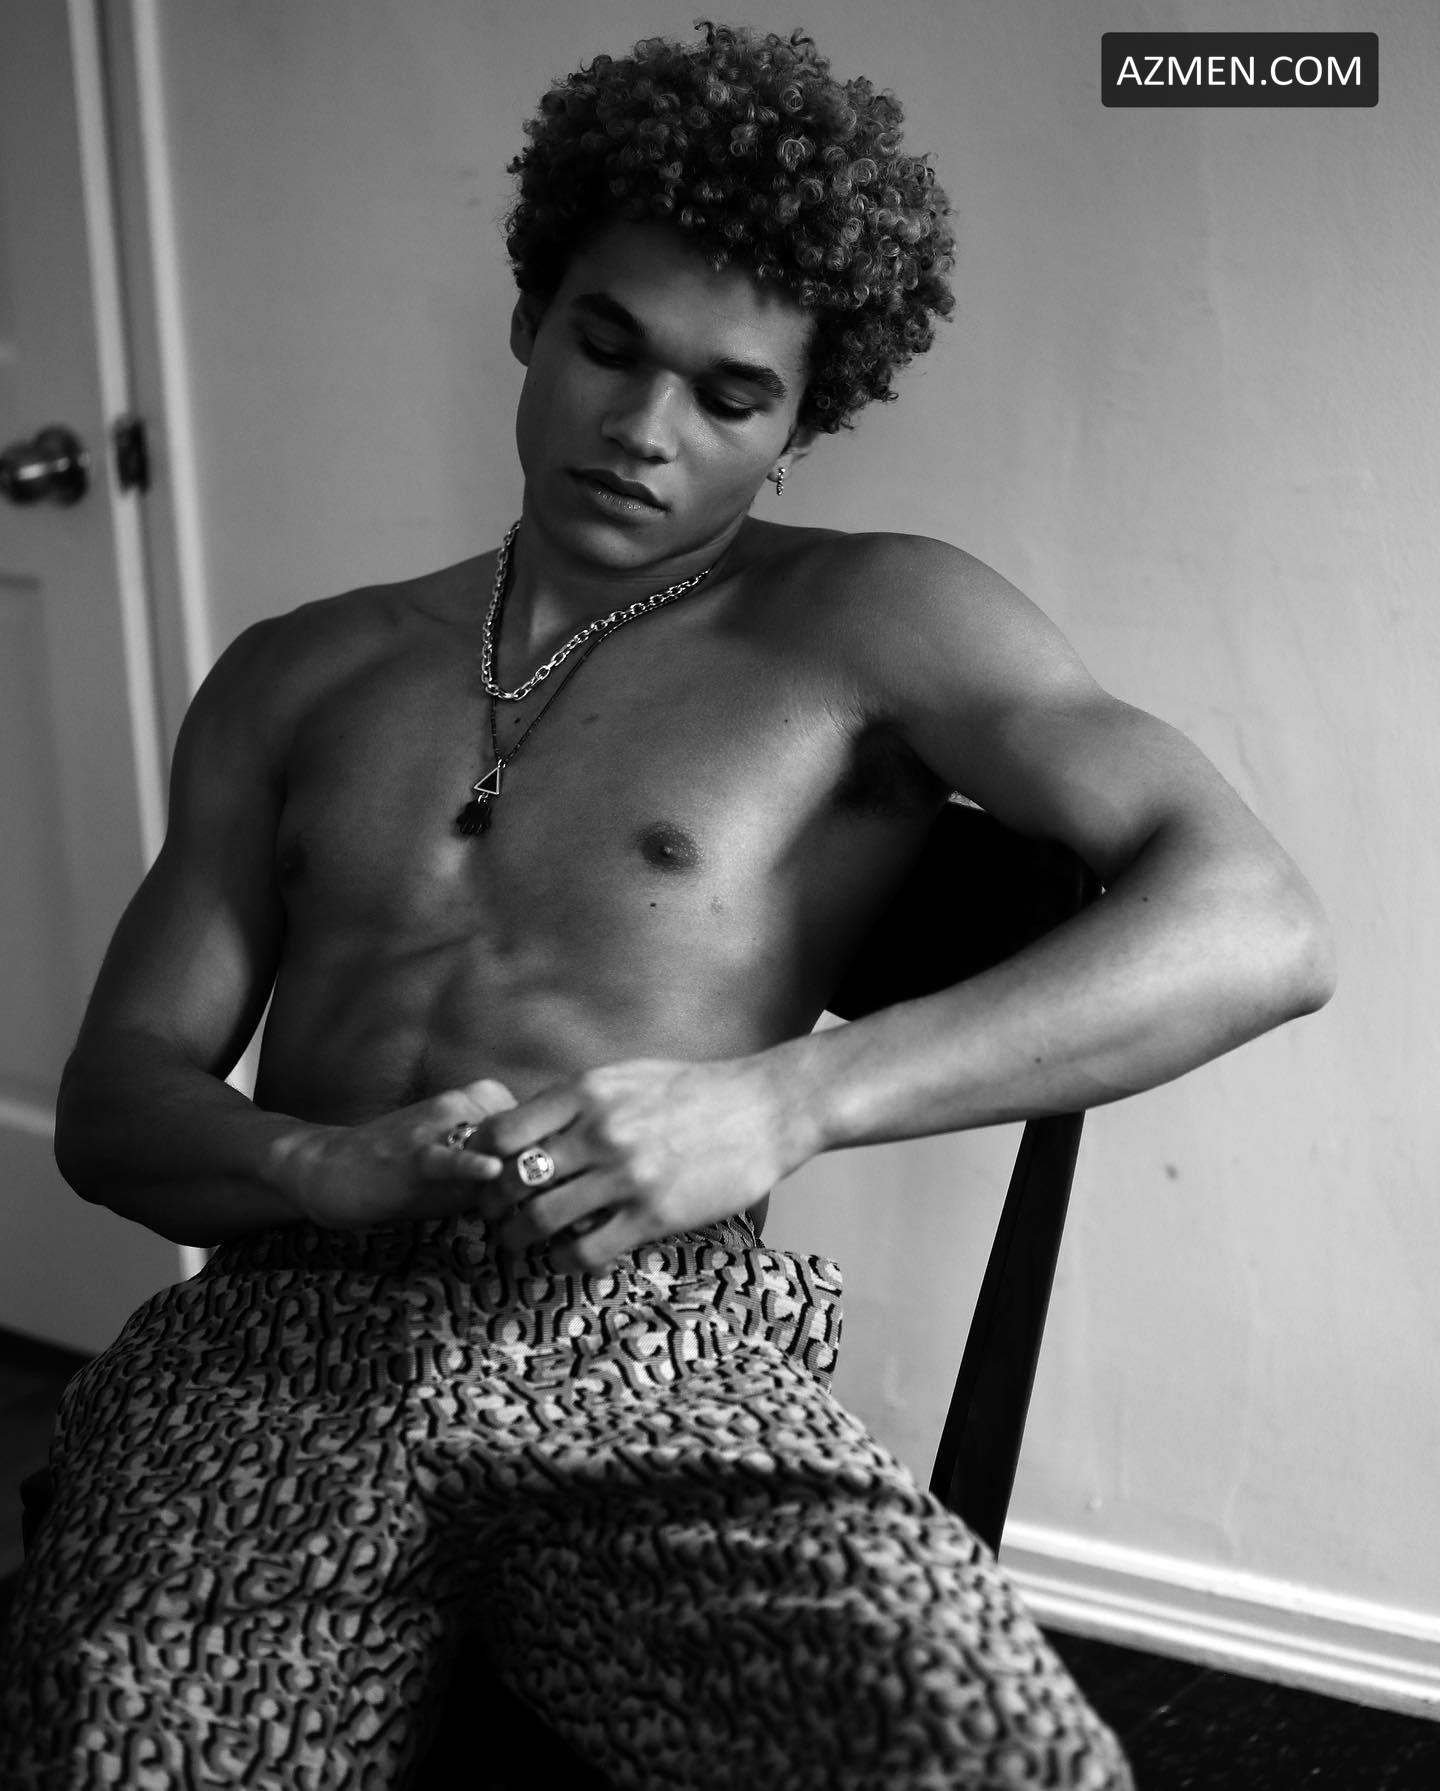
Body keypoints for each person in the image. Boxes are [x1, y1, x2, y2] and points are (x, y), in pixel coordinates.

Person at [0, 22, 1333, 1790]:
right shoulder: (298, 672)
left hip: (649, 1347)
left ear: (799, 429)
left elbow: (1259, 926)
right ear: (531, 317)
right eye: (609, 347)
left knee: (989, 1759)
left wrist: (782, 1101)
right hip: (276, 1343)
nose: (643, 432)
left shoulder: (872, 621)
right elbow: (115, 1106)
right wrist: (313, 1163)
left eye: (730, 396)